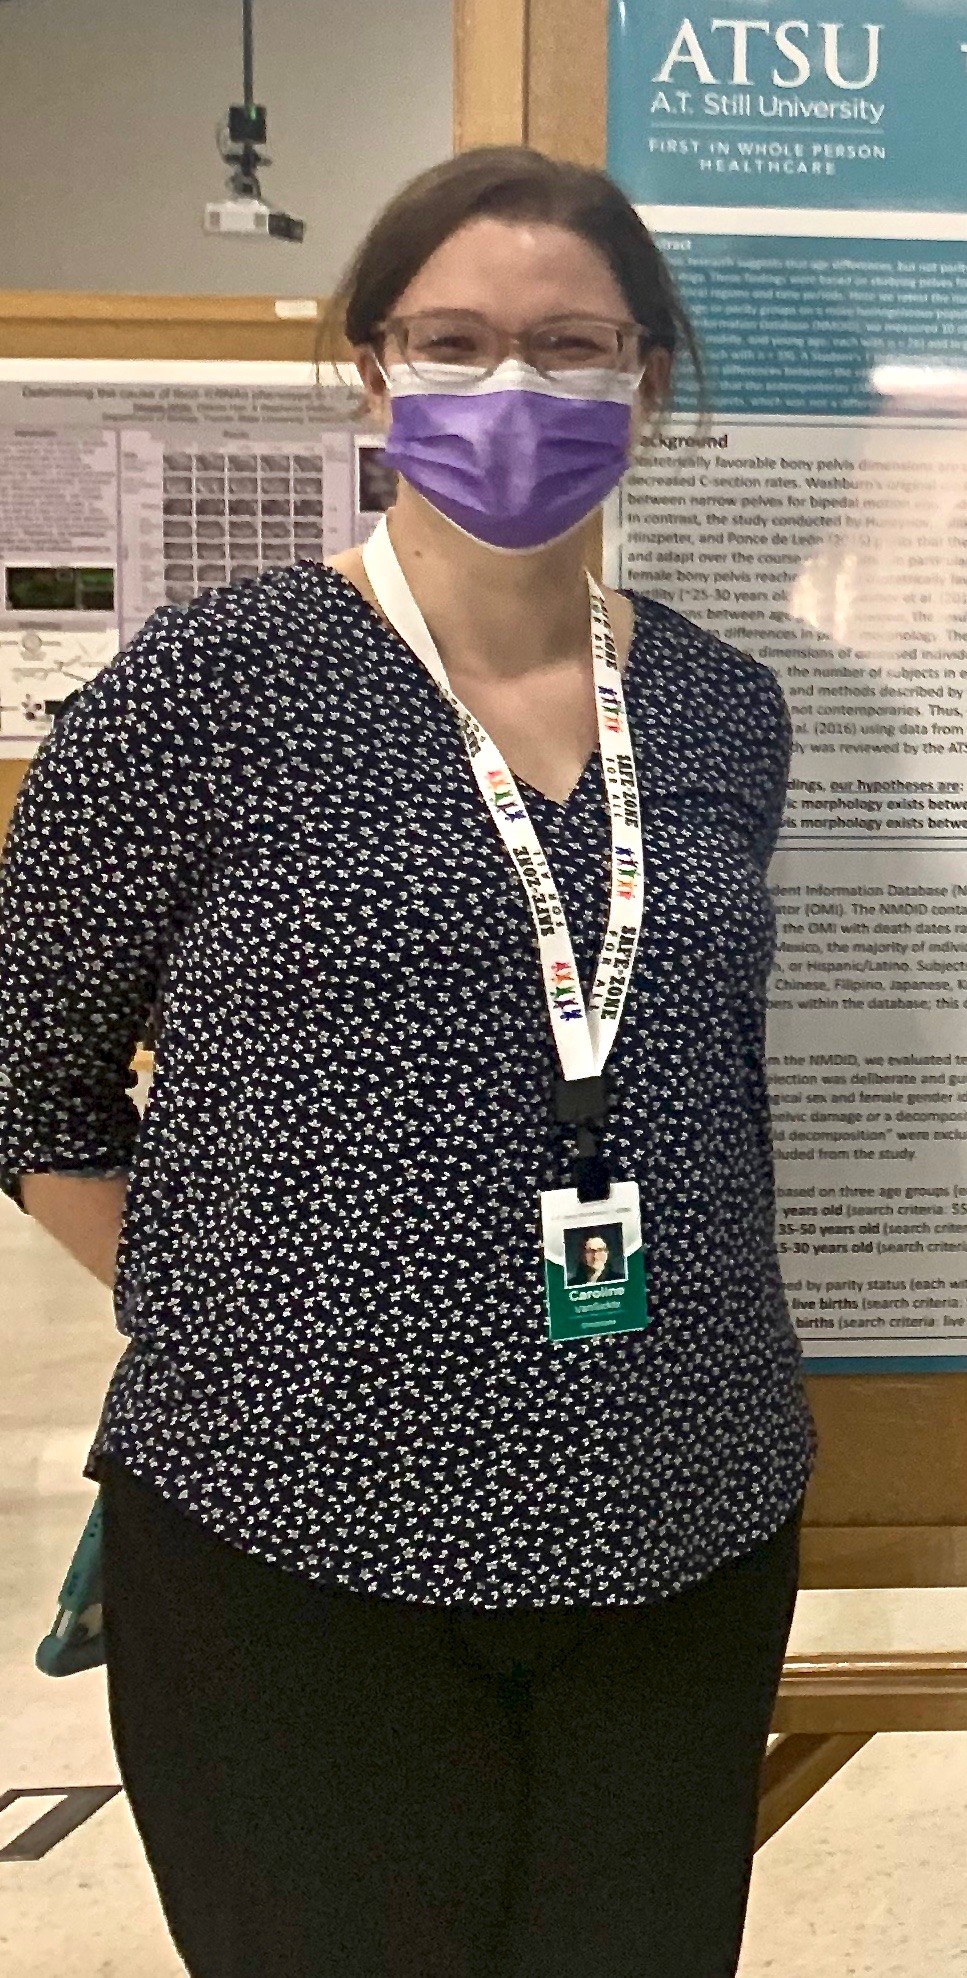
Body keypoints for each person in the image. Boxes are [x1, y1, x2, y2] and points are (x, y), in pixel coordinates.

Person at [0, 145, 812, 1978]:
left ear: (645, 382)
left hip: (681, 1515)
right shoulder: (204, 688)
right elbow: (28, 1084)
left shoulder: (720, 708)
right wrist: (253, 1320)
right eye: (455, 340)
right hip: (298, 1530)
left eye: (569, 343)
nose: (513, 385)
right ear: (375, 371)